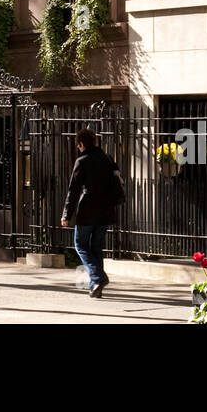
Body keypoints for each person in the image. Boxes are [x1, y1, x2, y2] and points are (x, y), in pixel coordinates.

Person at [60, 127, 120, 298]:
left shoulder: (82, 160)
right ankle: (95, 287)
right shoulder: (107, 159)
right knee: (96, 247)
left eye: (78, 146)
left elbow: (73, 191)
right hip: (106, 210)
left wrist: (66, 215)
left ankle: (98, 277)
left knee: (80, 245)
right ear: (94, 141)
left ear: (81, 144)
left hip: (87, 210)